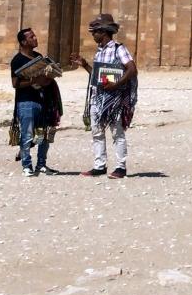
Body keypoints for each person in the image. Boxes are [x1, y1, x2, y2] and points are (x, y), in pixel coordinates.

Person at [72, 13, 137, 179]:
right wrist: (85, 65)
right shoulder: (99, 52)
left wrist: (116, 84)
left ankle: (120, 167)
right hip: (98, 98)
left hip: (115, 100)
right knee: (97, 132)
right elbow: (98, 76)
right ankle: (99, 166)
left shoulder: (118, 49)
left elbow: (132, 69)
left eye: (95, 32)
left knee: (117, 133)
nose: (93, 35)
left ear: (103, 32)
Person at [10, 27, 63, 176]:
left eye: (35, 36)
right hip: (26, 101)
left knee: (43, 134)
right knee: (27, 135)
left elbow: (45, 80)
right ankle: (27, 166)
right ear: (23, 42)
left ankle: (41, 165)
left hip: (44, 100)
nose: (35, 38)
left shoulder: (39, 57)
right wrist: (33, 81)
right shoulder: (17, 60)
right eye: (31, 37)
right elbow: (15, 84)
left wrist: (50, 75)